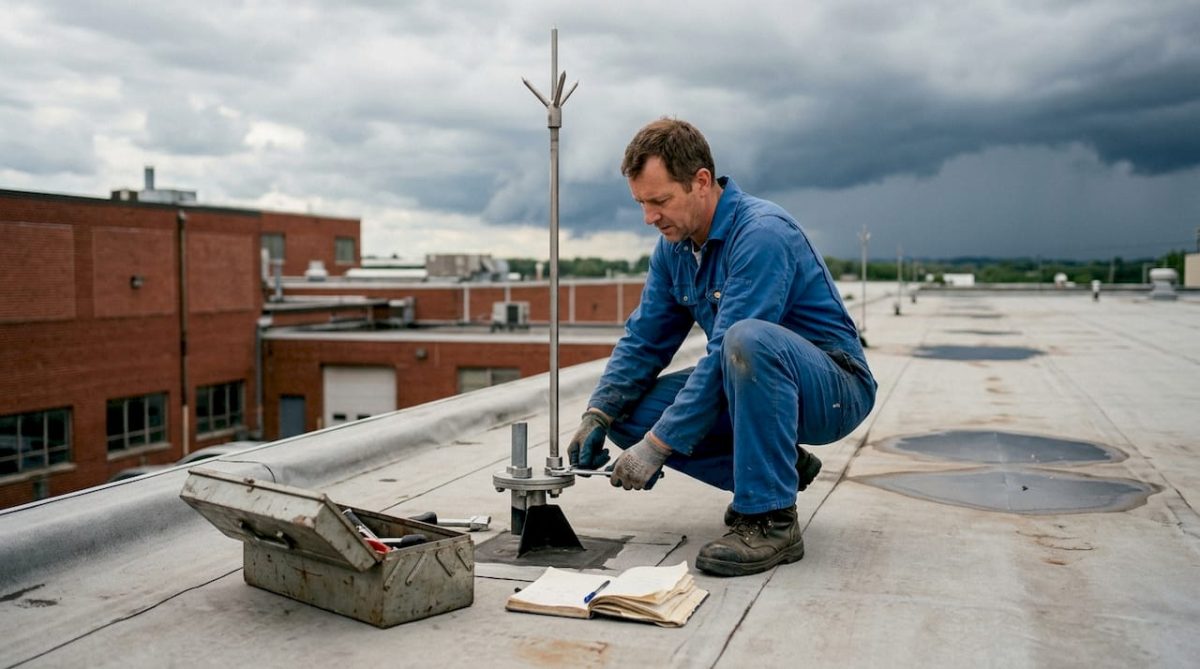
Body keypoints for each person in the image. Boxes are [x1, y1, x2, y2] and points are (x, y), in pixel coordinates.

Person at [567, 118, 877, 577]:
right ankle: (780, 465)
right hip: (752, 381)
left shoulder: (762, 233)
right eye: (640, 204)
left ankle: (770, 518)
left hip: (832, 388)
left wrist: (655, 448)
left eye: (659, 201)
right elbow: (644, 338)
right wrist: (599, 413)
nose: (649, 218)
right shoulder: (674, 249)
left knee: (746, 338)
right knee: (628, 409)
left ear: (701, 182)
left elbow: (726, 355)